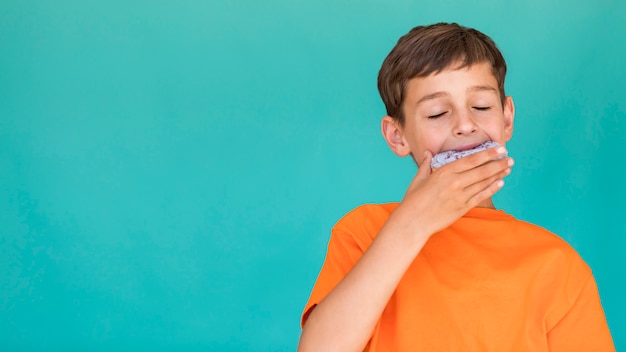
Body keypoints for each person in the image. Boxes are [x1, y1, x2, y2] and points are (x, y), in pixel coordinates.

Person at [298, 23, 615, 351]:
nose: (465, 125)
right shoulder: (364, 232)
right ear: (397, 135)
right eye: (436, 113)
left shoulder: (558, 266)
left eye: (481, 107)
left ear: (507, 120)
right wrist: (411, 225)